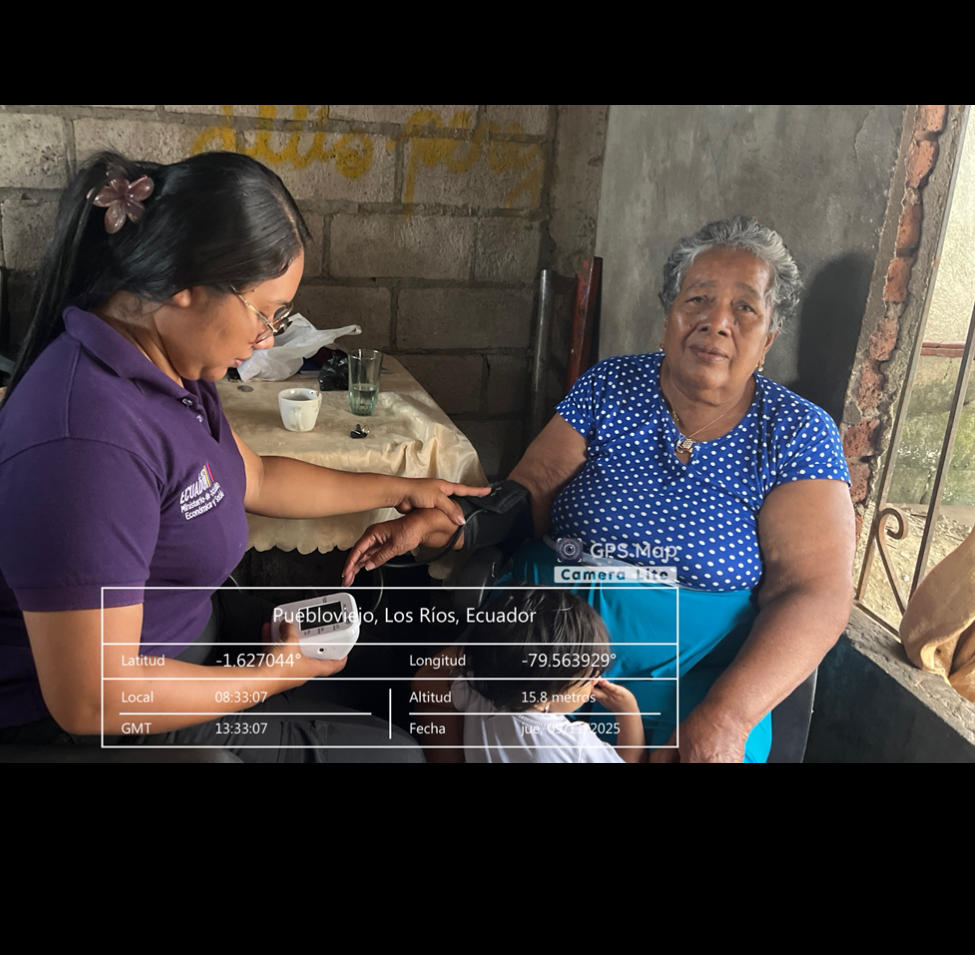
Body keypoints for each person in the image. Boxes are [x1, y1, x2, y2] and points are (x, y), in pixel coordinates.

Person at [0, 151, 488, 759]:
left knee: (407, 666)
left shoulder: (171, 372)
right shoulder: (84, 445)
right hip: (102, 719)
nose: (266, 337)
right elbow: (94, 700)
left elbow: (255, 477)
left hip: (183, 642)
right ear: (186, 286)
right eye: (265, 312)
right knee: (396, 753)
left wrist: (401, 488)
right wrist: (268, 678)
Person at [342, 218, 858, 764]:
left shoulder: (797, 432)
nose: (716, 322)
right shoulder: (611, 384)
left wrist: (727, 716)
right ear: (668, 318)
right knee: (435, 689)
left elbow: (814, 592)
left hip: (689, 676)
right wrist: (454, 525)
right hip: (541, 638)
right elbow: (530, 488)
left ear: (769, 338)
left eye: (745, 308)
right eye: (698, 299)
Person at [410, 585, 647, 764]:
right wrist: (628, 711)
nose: (595, 680)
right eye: (587, 679)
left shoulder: (475, 692)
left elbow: (423, 680)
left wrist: (484, 649)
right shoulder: (576, 744)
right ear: (548, 692)